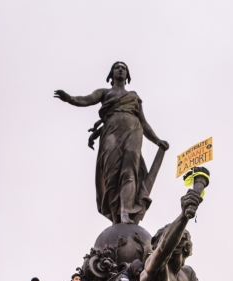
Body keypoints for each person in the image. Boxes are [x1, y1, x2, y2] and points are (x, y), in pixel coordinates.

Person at [54, 61, 169, 225]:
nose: (121, 70)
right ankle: (116, 215)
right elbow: (86, 100)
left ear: (127, 75)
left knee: (130, 171)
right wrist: (69, 98)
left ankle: (125, 212)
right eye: (117, 67)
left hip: (133, 131)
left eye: (124, 68)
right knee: (112, 174)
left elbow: (144, 123)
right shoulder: (104, 92)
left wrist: (157, 140)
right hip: (111, 133)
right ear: (111, 74)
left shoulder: (134, 96)